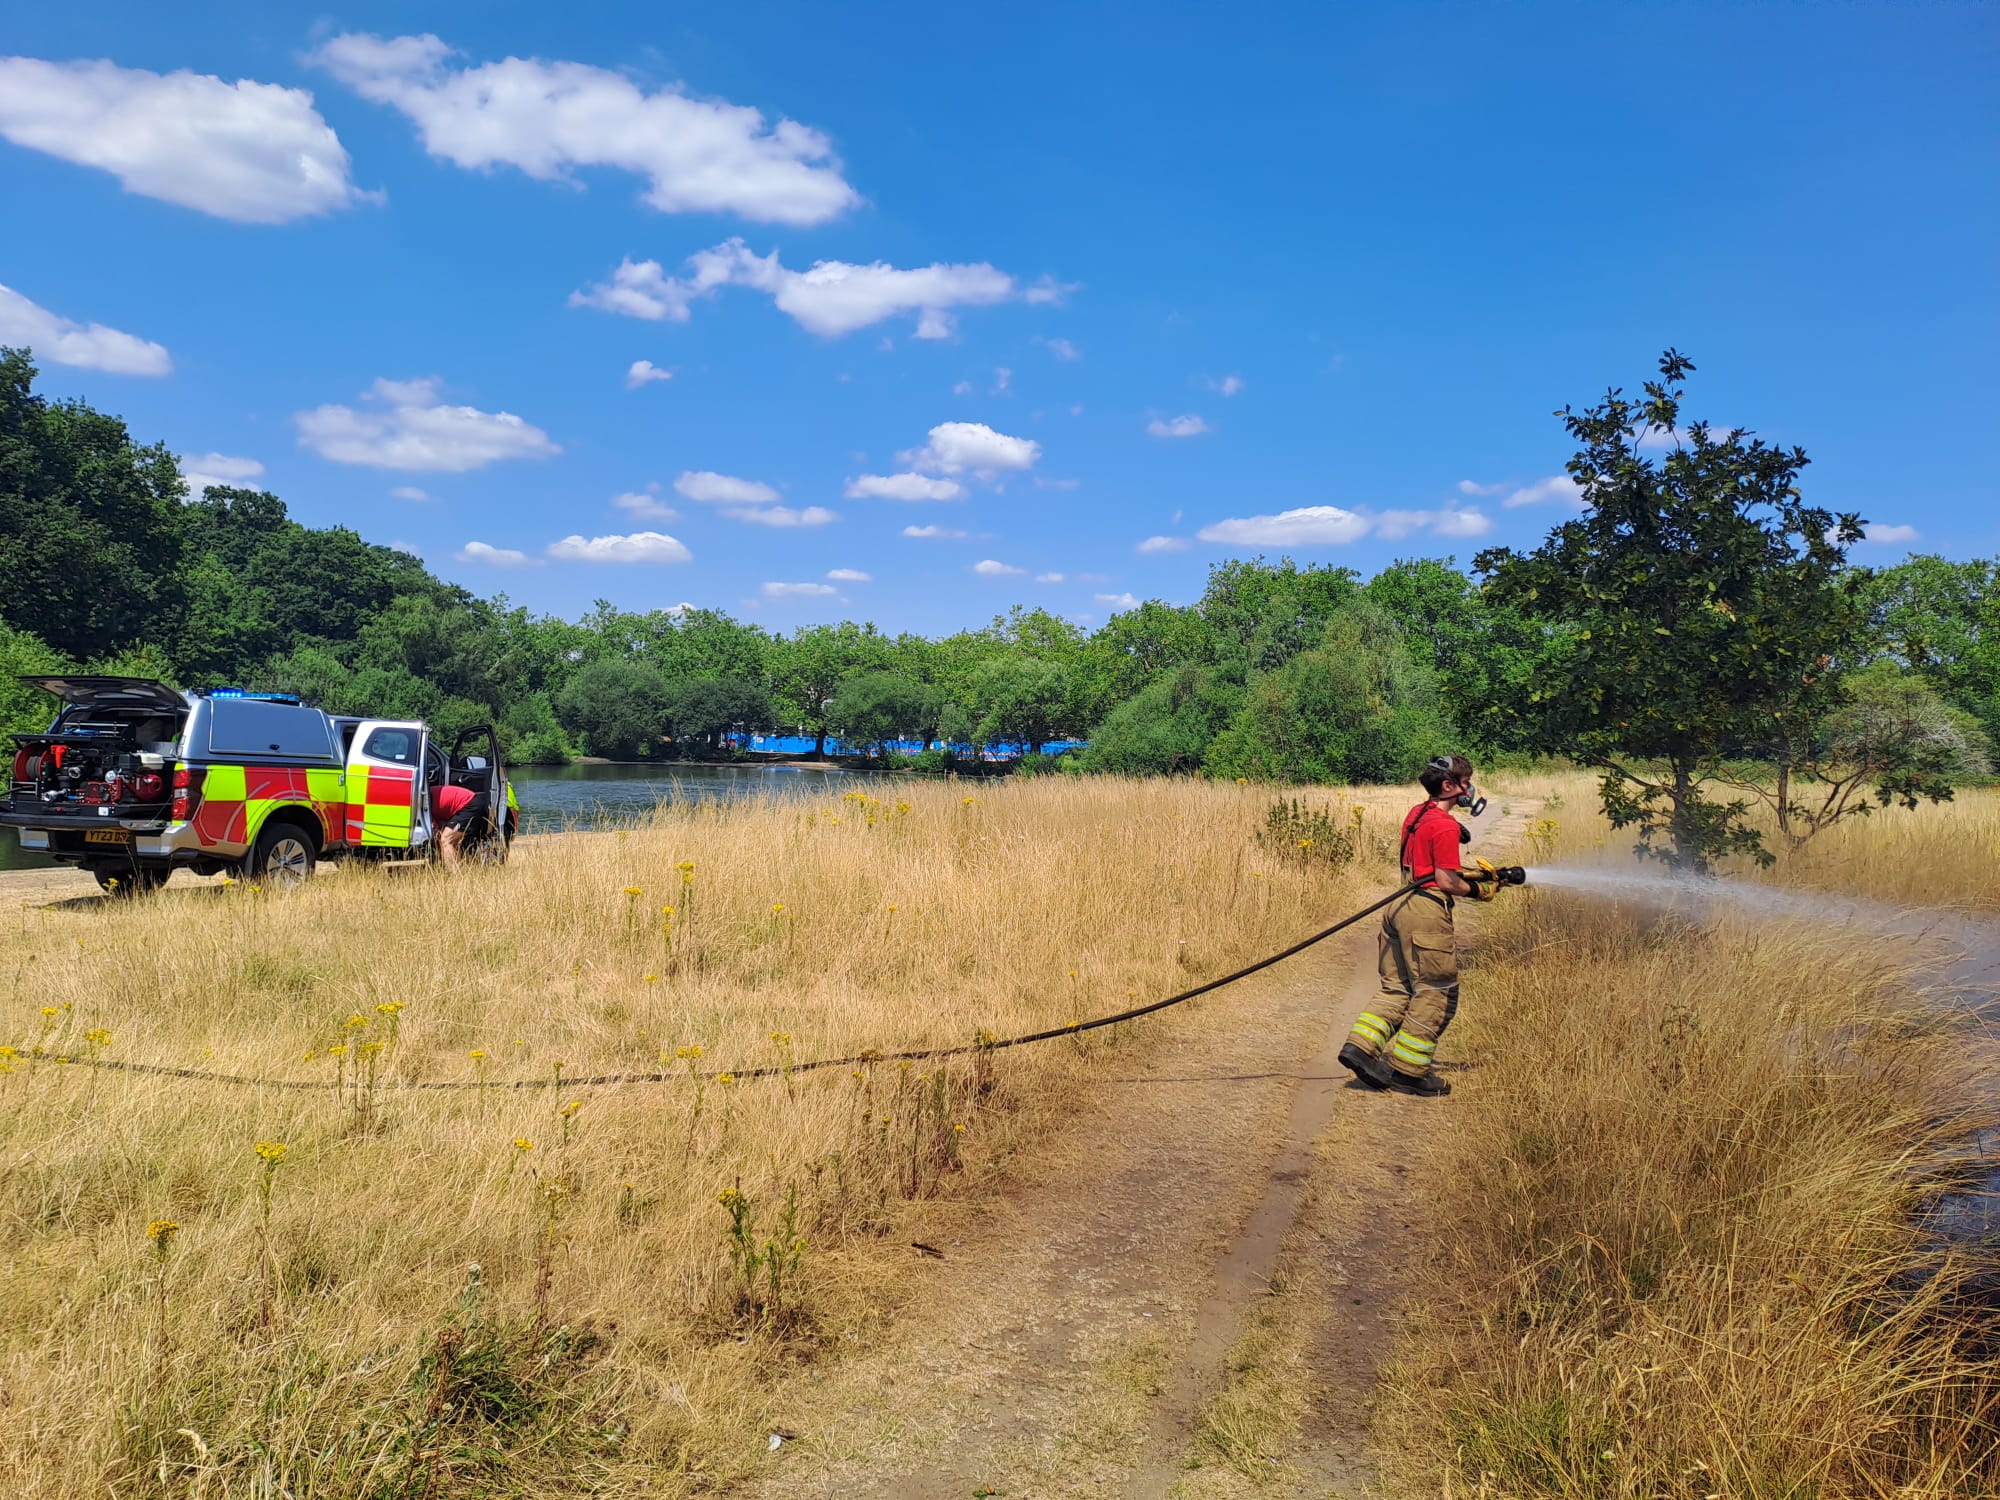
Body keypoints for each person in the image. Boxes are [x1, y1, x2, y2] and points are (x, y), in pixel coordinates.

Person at [1337, 753, 1503, 1097]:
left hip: (1399, 905)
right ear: (1448, 786)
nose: (1470, 789)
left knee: (1397, 988)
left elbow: (1427, 866)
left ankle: (1360, 1049)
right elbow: (1446, 880)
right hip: (1426, 912)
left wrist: (1475, 872)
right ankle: (1409, 1073)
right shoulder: (1443, 826)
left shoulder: (1418, 814)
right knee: (1438, 990)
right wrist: (1480, 889)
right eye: (1465, 782)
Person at [429, 779, 486, 870]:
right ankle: (459, 870)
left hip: (469, 804)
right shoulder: (426, 796)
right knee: (452, 842)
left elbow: (436, 834)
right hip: (471, 801)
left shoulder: (425, 802)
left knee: (446, 840)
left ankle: (456, 877)